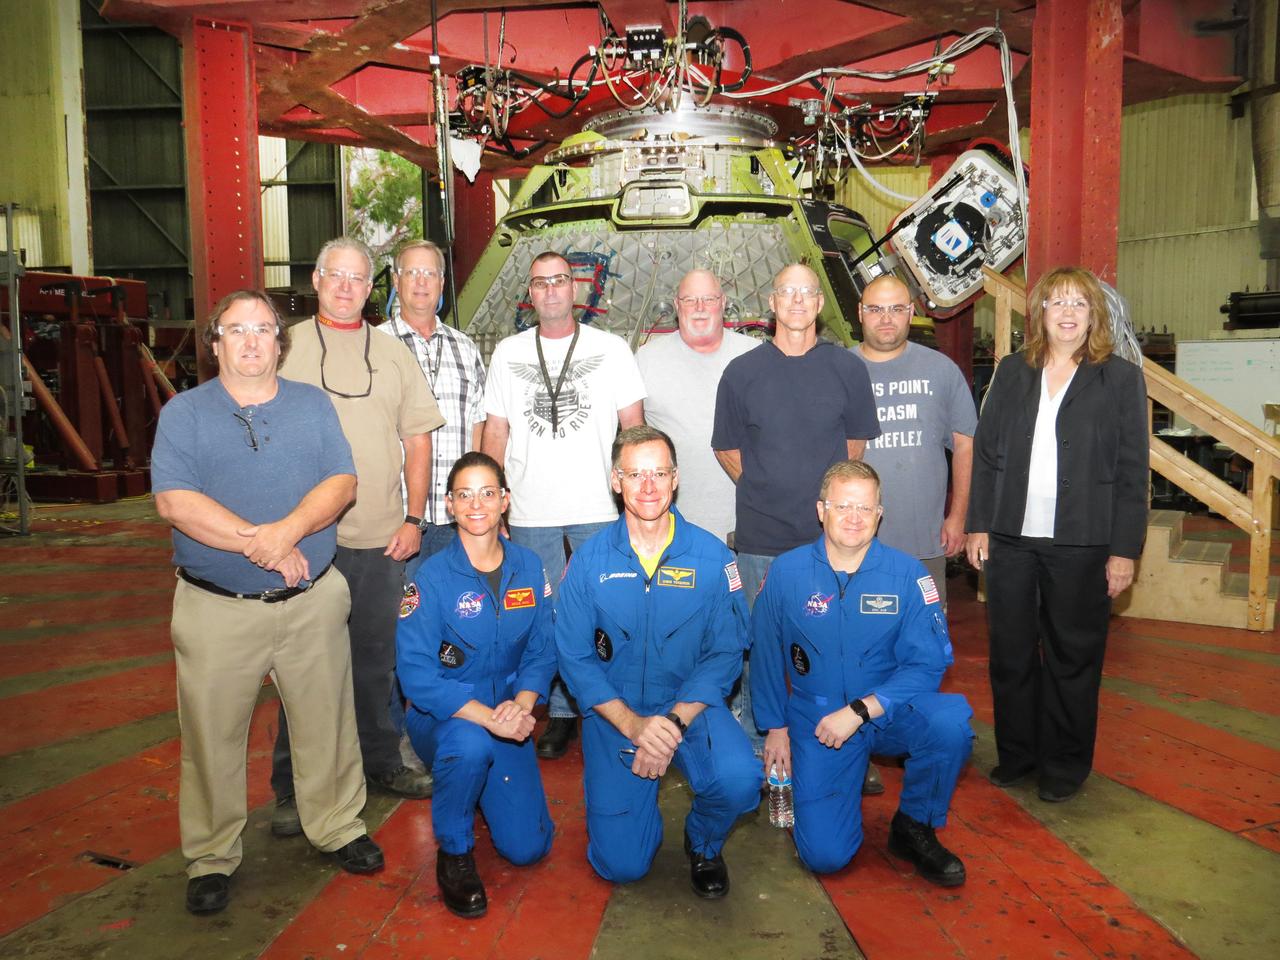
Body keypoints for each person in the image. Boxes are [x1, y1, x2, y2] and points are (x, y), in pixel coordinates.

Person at [152, 291, 384, 915]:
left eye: (263, 329)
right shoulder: (184, 414)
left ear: (280, 343)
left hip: (311, 600)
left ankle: (337, 825)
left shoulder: (311, 405)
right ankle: (211, 855)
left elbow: (341, 483)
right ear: (215, 342)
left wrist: (285, 534)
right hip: (217, 608)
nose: (251, 341)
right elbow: (175, 501)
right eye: (237, 330)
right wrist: (265, 546)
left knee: (327, 722)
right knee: (212, 735)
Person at [270, 237, 446, 837]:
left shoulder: (393, 354)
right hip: (306, 541)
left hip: (379, 537)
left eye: (357, 278)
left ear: (372, 289)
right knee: (302, 667)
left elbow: (418, 440)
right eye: (335, 275)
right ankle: (292, 786)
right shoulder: (285, 346)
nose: (346, 287)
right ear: (316, 280)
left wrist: (413, 519)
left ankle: (381, 761)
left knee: (375, 662)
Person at [965, 266, 1148, 804]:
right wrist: (978, 523)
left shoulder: (1120, 378)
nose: (1068, 312)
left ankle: (1065, 765)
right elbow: (987, 455)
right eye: (1057, 302)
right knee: (1011, 655)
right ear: (1040, 311)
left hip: (1082, 542)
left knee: (1073, 657)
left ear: (1093, 316)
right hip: (1010, 539)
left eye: (1079, 303)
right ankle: (1018, 755)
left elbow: (1133, 471)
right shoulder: (1012, 372)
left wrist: (1123, 551)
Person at [555, 425, 762, 897]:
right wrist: (632, 725)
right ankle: (630, 818)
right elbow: (574, 656)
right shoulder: (588, 561)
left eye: (659, 473)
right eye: (635, 474)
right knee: (622, 866)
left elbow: (726, 651)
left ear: (675, 478)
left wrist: (671, 724)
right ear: (616, 480)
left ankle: (703, 842)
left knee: (739, 779)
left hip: (690, 705)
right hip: (616, 710)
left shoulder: (712, 557)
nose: (648, 486)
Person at [750, 459, 973, 887]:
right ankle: (837, 789)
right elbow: (764, 653)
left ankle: (914, 824)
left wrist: (861, 709)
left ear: (879, 514)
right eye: (843, 506)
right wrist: (775, 727)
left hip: (888, 709)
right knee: (826, 856)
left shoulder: (907, 575)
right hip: (819, 720)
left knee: (949, 726)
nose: (854, 517)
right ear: (821, 510)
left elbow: (927, 663)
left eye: (865, 508)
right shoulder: (786, 573)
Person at [711, 262, 881, 779]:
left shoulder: (847, 369)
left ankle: (845, 744)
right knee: (758, 647)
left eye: (808, 292)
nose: (798, 301)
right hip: (761, 536)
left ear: (820, 304)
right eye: (788, 292)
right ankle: (758, 746)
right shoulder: (741, 371)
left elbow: (855, 445)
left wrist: (830, 507)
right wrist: (765, 486)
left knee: (837, 643)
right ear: (772, 302)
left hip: (831, 542)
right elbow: (726, 447)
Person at [481, 250, 646, 760]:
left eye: (559, 281)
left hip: (599, 506)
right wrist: (493, 503)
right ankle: (560, 712)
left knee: (608, 609)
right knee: (546, 616)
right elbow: (496, 431)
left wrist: (636, 497)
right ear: (529, 293)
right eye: (540, 283)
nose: (550, 290)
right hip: (531, 509)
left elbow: (634, 427)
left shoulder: (611, 349)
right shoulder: (508, 353)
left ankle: (613, 704)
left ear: (575, 289)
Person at [397, 452, 556, 918]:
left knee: (528, 849)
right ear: (449, 505)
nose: (476, 504)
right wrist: (490, 719)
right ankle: (454, 851)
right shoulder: (429, 578)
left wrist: (521, 706)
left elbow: (543, 649)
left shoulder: (530, 567)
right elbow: (417, 676)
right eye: (464, 495)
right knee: (469, 747)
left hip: (508, 712)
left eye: (488, 493)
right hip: (446, 719)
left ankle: (481, 787)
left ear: (505, 500)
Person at [851, 274, 977, 606]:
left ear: (910, 312)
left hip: (923, 543)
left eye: (896, 309)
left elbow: (966, 446)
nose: (886, 318)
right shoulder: (839, 370)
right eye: (876, 309)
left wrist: (958, 517)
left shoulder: (941, 370)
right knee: (857, 633)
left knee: (925, 632)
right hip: (853, 543)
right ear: (860, 312)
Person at [379, 239, 487, 575]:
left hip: (460, 517)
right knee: (402, 607)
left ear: (442, 282)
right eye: (412, 272)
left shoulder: (465, 347)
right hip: (396, 518)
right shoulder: (375, 346)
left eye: (430, 273)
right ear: (396, 281)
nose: (421, 281)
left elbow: (478, 425)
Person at [635, 268, 759, 544]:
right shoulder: (647, 359)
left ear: (723, 303)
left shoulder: (755, 355)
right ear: (676, 305)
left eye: (709, 299)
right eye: (690, 300)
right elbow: (632, 438)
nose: (700, 308)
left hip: (747, 523)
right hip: (672, 526)